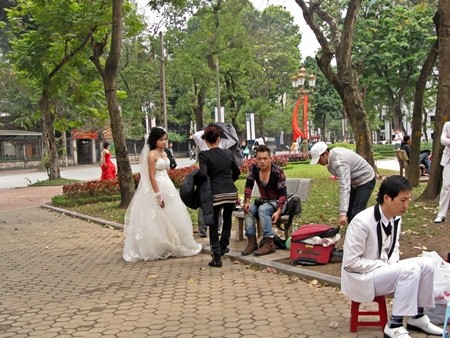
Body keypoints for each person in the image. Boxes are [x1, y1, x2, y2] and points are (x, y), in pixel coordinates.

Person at [341, 175, 444, 338]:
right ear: (387, 198)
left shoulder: (396, 218)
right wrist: (385, 267)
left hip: (382, 271)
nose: (406, 205)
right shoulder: (361, 222)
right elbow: (351, 262)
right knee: (410, 269)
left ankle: (416, 316)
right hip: (361, 277)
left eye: (408, 200)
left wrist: (393, 266)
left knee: (428, 264)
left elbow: (394, 247)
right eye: (403, 200)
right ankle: (394, 325)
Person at [122, 127, 202, 262]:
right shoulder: (151, 155)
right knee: (156, 216)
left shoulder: (165, 153)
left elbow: (167, 170)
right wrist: (158, 193)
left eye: (165, 139)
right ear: (154, 141)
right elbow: (151, 176)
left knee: (173, 214)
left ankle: (173, 242)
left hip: (168, 185)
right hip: (157, 185)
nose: (164, 142)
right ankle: (158, 246)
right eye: (161, 140)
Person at [196, 125, 240, 267]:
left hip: (215, 193)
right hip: (231, 192)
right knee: (227, 219)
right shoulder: (228, 153)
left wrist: (196, 182)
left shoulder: (204, 155)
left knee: (213, 223)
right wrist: (229, 181)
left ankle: (216, 257)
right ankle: (223, 246)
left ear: (206, 141)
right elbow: (237, 171)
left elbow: (202, 174)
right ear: (219, 139)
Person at [310, 141, 376, 226]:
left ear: (326, 153)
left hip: (366, 180)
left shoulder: (339, 162)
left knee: (356, 214)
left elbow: (344, 187)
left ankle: (363, 233)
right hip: (355, 181)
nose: (318, 162)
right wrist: (345, 212)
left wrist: (342, 213)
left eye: (319, 159)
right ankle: (355, 233)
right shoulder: (333, 155)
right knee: (350, 212)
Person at [241, 145, 287, 256]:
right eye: (259, 158)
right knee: (249, 210)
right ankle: (252, 242)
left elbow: (283, 195)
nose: (262, 161)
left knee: (263, 209)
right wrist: (247, 201)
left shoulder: (278, 172)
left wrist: (278, 211)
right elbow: (249, 185)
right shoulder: (254, 169)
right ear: (255, 159)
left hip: (279, 203)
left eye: (265, 158)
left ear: (270, 159)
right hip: (264, 201)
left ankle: (269, 243)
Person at [434, 121, 450, 223]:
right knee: (446, 186)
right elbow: (443, 140)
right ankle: (441, 214)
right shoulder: (447, 124)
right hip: (448, 161)